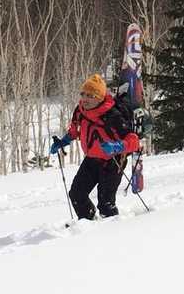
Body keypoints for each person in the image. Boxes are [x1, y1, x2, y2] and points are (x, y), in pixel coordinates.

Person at [50, 73, 140, 219]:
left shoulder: (113, 115)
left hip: (113, 161)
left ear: (99, 97)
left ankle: (114, 229)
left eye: (90, 95)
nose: (84, 99)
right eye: (83, 94)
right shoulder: (80, 111)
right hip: (92, 158)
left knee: (105, 204)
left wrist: (117, 146)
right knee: (77, 194)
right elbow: (74, 131)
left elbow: (134, 141)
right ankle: (87, 223)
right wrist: (63, 142)